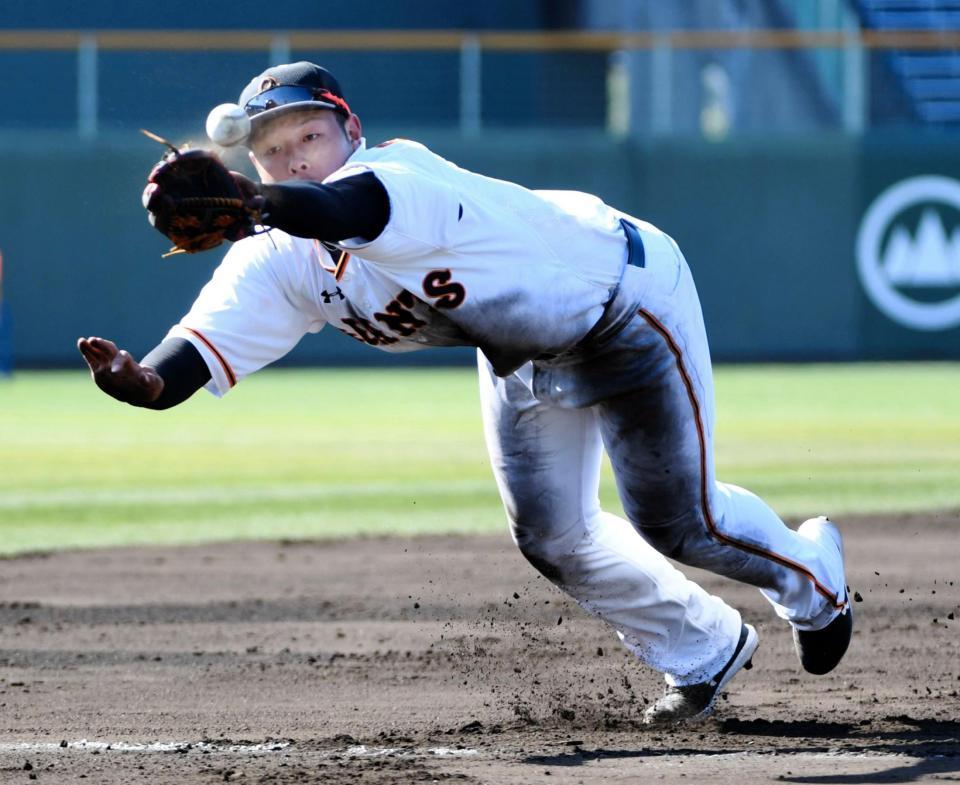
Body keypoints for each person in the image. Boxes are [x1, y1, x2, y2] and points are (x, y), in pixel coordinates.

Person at [78, 62, 852, 724]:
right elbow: (189, 358)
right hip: (518, 350)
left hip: (621, 300)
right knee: (552, 537)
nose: (296, 161)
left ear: (351, 132)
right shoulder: (279, 259)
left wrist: (255, 201)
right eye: (275, 153)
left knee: (681, 522)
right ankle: (704, 652)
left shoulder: (399, 178)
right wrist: (141, 382)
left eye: (309, 137)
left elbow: (347, 208)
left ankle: (815, 582)